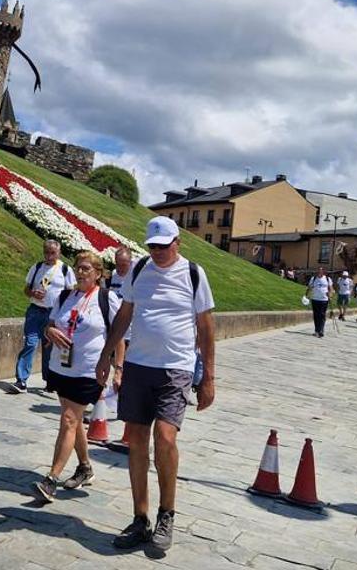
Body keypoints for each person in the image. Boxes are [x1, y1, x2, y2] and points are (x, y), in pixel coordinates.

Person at [95, 216, 215, 554]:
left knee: (165, 436)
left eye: (164, 246)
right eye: (153, 246)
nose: (158, 251)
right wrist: (107, 356)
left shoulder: (193, 273)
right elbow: (125, 314)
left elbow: (206, 327)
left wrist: (209, 377)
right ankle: (140, 517)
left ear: (178, 242)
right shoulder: (138, 269)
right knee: (136, 440)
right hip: (138, 365)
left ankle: (167, 514)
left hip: (175, 368)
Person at [33, 251, 125, 502]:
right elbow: (49, 324)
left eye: (86, 268)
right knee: (72, 422)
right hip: (62, 367)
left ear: (98, 273)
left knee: (69, 420)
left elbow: (119, 335)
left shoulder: (107, 299)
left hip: (90, 370)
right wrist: (50, 330)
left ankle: (51, 479)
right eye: (78, 267)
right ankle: (85, 467)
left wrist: (118, 368)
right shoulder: (65, 296)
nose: (81, 272)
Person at [14, 240, 75, 393]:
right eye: (46, 252)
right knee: (30, 343)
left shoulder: (65, 269)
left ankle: (50, 381)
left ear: (59, 253)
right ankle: (21, 380)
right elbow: (26, 289)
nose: (49, 256)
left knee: (49, 349)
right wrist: (33, 293)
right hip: (35, 311)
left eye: (52, 253)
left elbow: (71, 293)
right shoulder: (37, 267)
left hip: (53, 315)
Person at [304, 266, 332, 338]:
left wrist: (330, 295)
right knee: (316, 315)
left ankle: (321, 330)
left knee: (322, 315)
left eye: (321, 270)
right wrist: (306, 295)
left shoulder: (327, 279)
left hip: (324, 300)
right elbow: (309, 287)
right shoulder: (313, 279)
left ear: (323, 271)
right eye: (318, 270)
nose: (319, 272)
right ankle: (317, 330)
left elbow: (331, 289)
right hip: (315, 299)